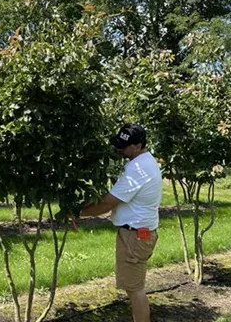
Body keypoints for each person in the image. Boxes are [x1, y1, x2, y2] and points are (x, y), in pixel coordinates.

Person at [79, 123, 162, 322]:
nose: (119, 149)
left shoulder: (138, 169)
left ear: (138, 146)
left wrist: (78, 212)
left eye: (124, 146)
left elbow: (108, 203)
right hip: (139, 233)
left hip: (135, 236)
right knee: (133, 286)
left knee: (135, 289)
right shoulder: (145, 162)